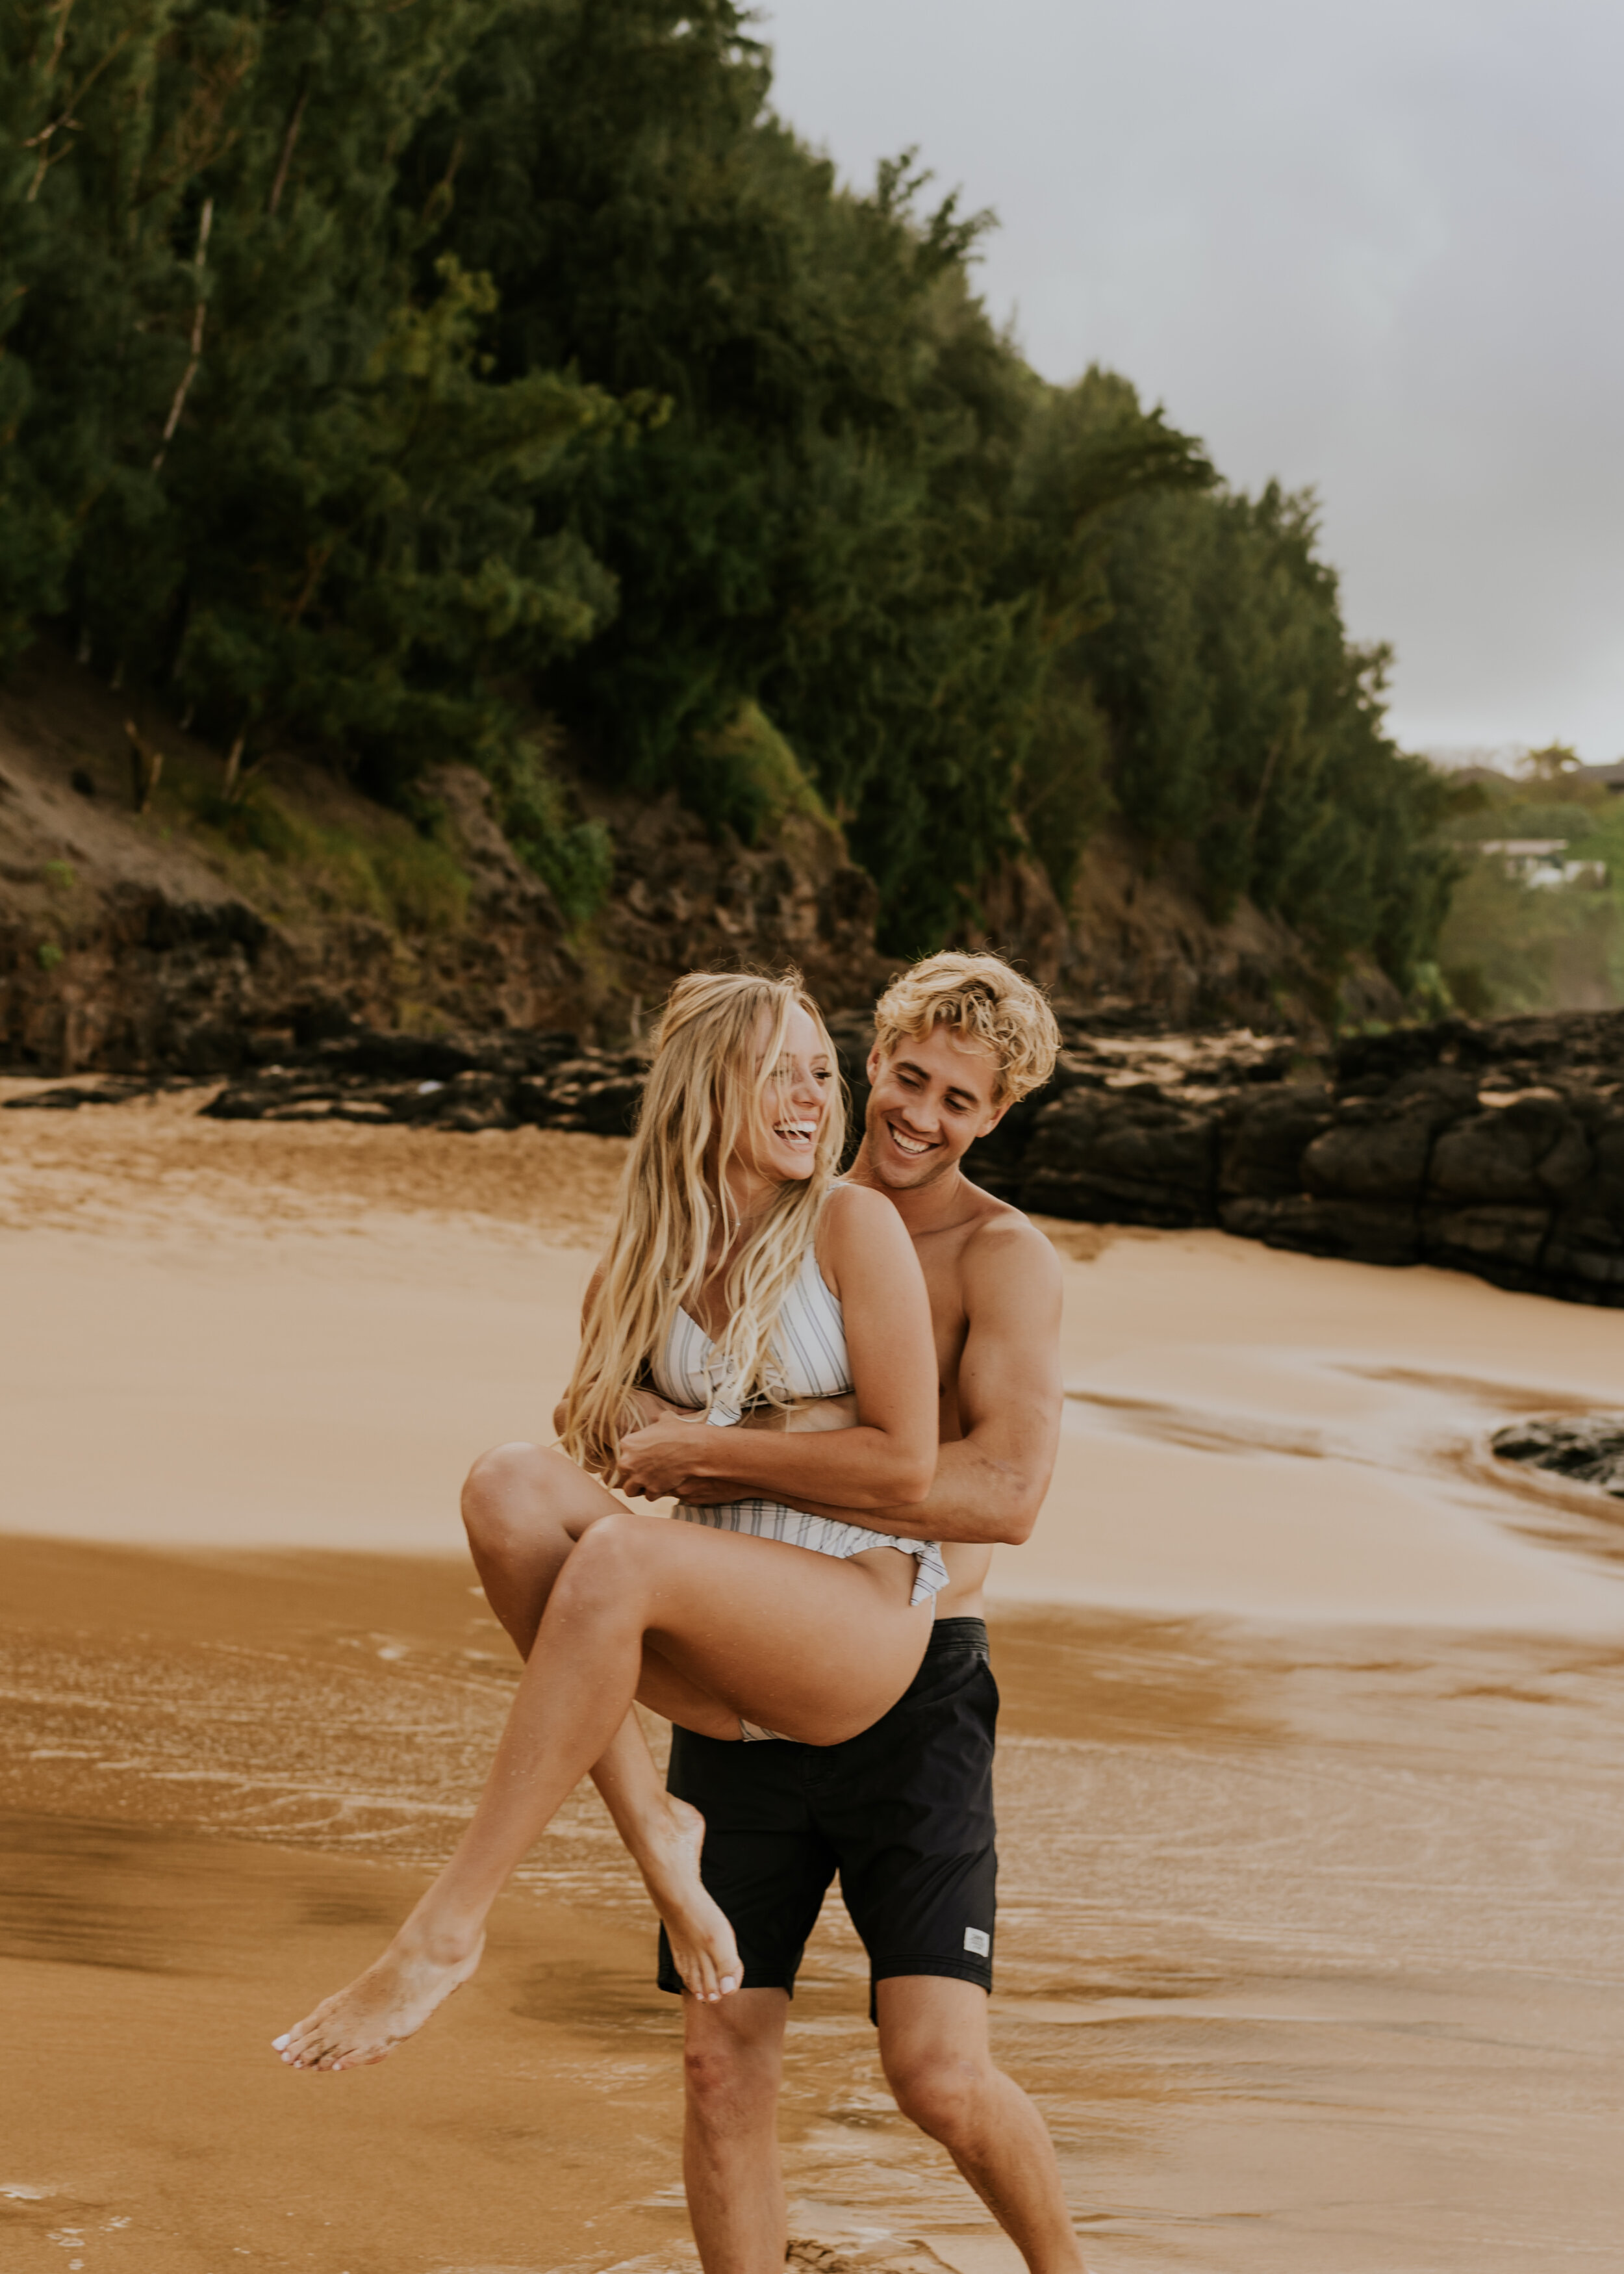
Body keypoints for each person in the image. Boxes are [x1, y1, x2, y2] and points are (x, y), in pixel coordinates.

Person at [464, 952, 1085, 2274]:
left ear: (999, 1112)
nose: (919, 1115)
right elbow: (604, 1406)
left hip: (907, 1682)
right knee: (714, 2062)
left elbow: (1002, 1490)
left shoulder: (1000, 1257)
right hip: (743, 1660)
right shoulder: (764, 1209)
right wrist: (763, 1435)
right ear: (872, 1060)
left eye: (959, 1101)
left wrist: (748, 1443)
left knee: (936, 2076)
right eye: (906, 1077)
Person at [272, 968, 946, 2072]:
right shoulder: (645, 1261)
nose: (811, 1097)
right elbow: (590, 1419)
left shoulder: (848, 1223)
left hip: (853, 1628)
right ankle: (661, 1830)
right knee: (506, 1484)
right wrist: (737, 1422)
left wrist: (707, 1441)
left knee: (627, 1555)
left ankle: (446, 1928)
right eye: (776, 1072)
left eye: (823, 1072)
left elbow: (907, 1463)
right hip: (714, 1628)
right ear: (703, 1089)